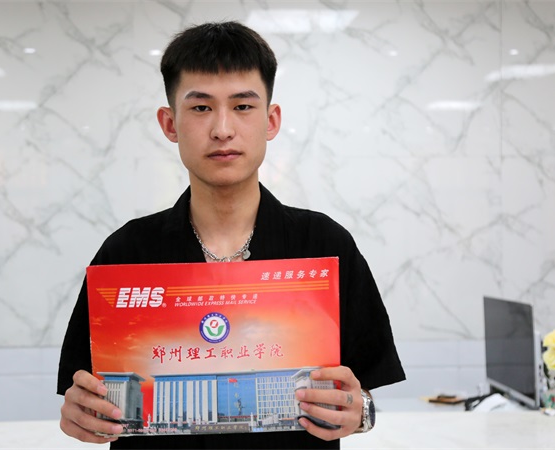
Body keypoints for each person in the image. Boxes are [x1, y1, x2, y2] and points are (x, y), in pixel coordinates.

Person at [57, 21, 405, 449]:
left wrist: (360, 411)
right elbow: (86, 394)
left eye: (242, 106)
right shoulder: (127, 252)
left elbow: (364, 391)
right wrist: (81, 414)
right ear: (170, 124)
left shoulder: (325, 245)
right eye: (201, 108)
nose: (222, 129)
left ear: (271, 121)